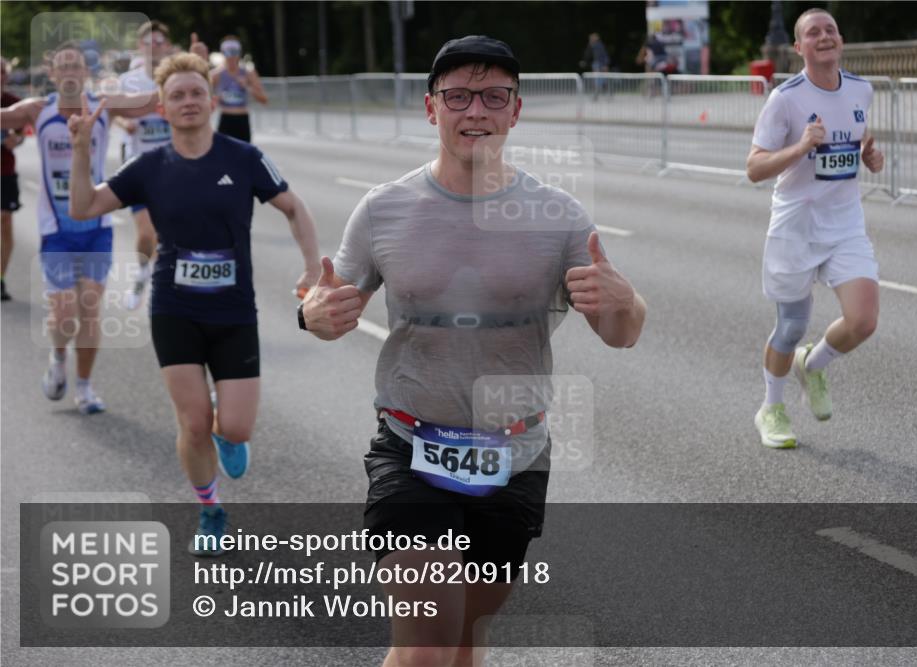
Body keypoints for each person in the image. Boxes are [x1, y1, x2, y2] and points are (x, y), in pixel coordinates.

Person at [301, 35, 646, 667]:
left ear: (515, 111)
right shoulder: (384, 209)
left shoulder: (558, 216)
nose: (476, 113)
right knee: (428, 644)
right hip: (410, 445)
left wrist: (623, 300)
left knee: (466, 634)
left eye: (493, 97)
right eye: (458, 96)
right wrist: (314, 314)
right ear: (432, 109)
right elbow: (327, 305)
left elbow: (622, 332)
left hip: (514, 454)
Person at [68, 52, 320, 554]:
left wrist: (313, 267)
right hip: (174, 309)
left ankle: (230, 434)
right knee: (192, 423)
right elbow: (84, 206)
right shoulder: (148, 165)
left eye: (196, 93)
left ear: (211, 99)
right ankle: (210, 509)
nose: (187, 102)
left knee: (236, 425)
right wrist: (80, 149)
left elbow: (294, 207)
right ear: (161, 107)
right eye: (177, 95)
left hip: (233, 312)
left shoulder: (243, 157)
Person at [746, 8, 884, 448]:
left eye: (830, 30)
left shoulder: (862, 90)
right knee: (790, 326)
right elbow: (754, 168)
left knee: (863, 320)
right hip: (796, 224)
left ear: (839, 40)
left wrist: (869, 157)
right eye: (813, 33)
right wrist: (802, 145)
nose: (824, 37)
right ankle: (772, 408)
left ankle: (815, 363)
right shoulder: (785, 99)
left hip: (844, 222)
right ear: (799, 48)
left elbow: (857, 137)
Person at [0, 41, 159, 414]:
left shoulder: (104, 105)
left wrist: (169, 68)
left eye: (76, 65)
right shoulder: (37, 110)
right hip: (55, 227)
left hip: (97, 224)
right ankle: (58, 359)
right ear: (52, 73)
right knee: (64, 314)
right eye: (63, 66)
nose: (70, 71)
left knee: (89, 308)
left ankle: (85, 388)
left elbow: (149, 103)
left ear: (85, 72)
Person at [116, 20, 174, 310]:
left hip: (176, 167)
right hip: (140, 165)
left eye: (160, 42)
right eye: (149, 42)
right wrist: (124, 121)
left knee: (170, 235)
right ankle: (141, 274)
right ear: (141, 47)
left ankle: (162, 289)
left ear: (168, 46)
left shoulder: (176, 78)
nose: (155, 47)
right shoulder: (129, 80)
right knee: (147, 233)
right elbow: (113, 109)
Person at [211, 35, 267, 143]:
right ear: (223, 52)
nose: (231, 57)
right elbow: (203, 98)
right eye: (228, 52)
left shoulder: (248, 73)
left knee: (244, 157)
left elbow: (264, 99)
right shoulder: (215, 75)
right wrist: (216, 97)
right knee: (224, 158)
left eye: (234, 52)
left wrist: (247, 87)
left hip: (242, 120)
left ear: (239, 53)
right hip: (225, 119)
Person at [1, 57, 24, 302]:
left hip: (5, 172)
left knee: (4, 221)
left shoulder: (14, 104)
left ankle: (0, 278)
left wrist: (15, 140)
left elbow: (22, 133)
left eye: (1, 72)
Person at [580, 32, 610, 99]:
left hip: (600, 64)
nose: (590, 40)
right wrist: (584, 61)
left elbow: (604, 55)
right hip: (597, 64)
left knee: (601, 80)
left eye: (592, 38)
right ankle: (599, 94)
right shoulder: (592, 46)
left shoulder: (599, 45)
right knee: (598, 80)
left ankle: (604, 94)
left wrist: (605, 64)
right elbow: (588, 54)